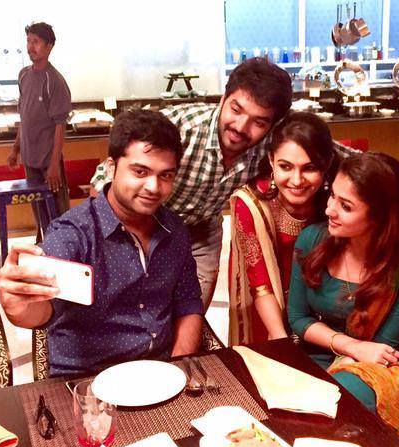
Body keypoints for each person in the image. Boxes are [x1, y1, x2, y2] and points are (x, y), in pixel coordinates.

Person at [0, 109, 204, 377]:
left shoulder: (174, 229)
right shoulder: (74, 234)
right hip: (88, 381)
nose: (153, 187)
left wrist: (179, 369)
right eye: (140, 171)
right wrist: (19, 307)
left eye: (165, 176)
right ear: (111, 167)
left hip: (162, 373)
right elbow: (45, 309)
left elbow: (188, 303)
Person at [89, 58, 293, 311]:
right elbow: (103, 179)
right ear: (223, 99)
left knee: (192, 309)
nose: (241, 127)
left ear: (272, 125)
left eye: (259, 122)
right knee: (135, 307)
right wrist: (107, 242)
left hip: (203, 230)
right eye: (236, 110)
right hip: (145, 223)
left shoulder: (274, 144)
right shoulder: (181, 127)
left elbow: (325, 152)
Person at [288, 153, 399, 447]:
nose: (329, 210)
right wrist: (349, 346)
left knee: (338, 400)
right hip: (325, 349)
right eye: (332, 196)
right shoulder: (313, 241)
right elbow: (298, 318)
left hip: (387, 362)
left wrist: (351, 354)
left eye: (346, 206)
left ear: (380, 216)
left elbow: (379, 345)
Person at [228, 112, 338, 345]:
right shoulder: (252, 205)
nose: (296, 181)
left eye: (309, 168)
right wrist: (282, 342)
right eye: (285, 167)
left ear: (326, 163)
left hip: (327, 304)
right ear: (271, 160)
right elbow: (260, 284)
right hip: (269, 309)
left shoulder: (336, 199)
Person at [8, 22, 72, 243]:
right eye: (28, 41)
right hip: (30, 158)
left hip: (48, 160)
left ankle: (64, 250)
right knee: (38, 208)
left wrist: (54, 164)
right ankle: (43, 244)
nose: (30, 47)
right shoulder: (24, 75)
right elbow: (24, 117)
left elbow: (60, 125)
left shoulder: (55, 81)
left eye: (36, 42)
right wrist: (16, 148)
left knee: (58, 211)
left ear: (49, 46)